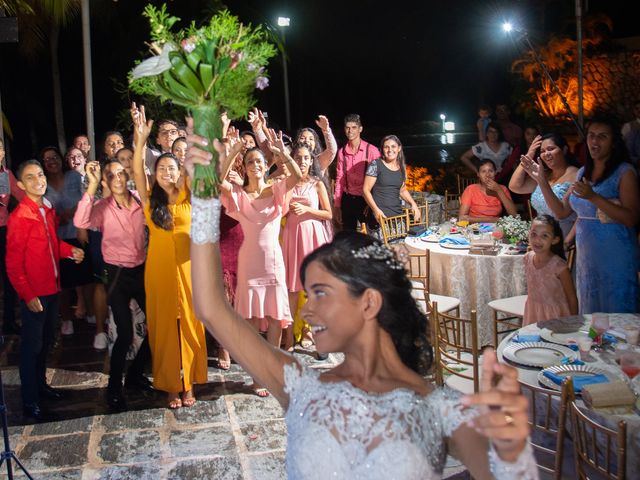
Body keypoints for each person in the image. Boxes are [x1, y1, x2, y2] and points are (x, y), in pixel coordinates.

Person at [186, 130, 537, 478]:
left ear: (369, 304)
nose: (306, 311)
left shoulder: (436, 410)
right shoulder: (302, 386)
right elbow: (211, 307)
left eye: (323, 294)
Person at [132, 105, 207, 409]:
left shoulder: (190, 194)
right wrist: (140, 138)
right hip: (160, 273)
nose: (166, 173)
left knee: (191, 325)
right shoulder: (150, 202)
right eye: (161, 169)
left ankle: (189, 383)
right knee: (163, 329)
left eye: (171, 169)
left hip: (191, 273)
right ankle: (170, 386)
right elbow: (138, 171)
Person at [524, 116, 639, 313]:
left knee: (617, 312)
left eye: (602, 136)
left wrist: (594, 197)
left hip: (615, 252)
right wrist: (542, 180)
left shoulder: (624, 172)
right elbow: (561, 212)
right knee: (590, 312)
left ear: (613, 142)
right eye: (591, 136)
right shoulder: (583, 173)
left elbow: (632, 218)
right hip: (587, 255)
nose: (595, 141)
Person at [218, 133, 303, 396]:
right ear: (246, 167)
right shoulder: (238, 195)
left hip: (273, 262)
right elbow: (217, 180)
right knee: (253, 320)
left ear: (266, 166)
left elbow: (298, 176)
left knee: (276, 318)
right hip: (250, 263)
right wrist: (234, 152)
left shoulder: (276, 189)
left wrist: (282, 152)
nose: (256, 164)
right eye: (251, 161)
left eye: (259, 161)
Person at [6, 160, 85, 421]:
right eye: (30, 178)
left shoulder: (46, 208)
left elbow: (52, 244)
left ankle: (41, 387)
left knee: (46, 343)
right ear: (20, 185)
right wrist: (28, 296)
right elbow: (13, 264)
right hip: (36, 295)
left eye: (40, 175)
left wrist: (69, 250)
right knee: (32, 347)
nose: (38, 180)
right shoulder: (21, 217)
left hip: (53, 289)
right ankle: (29, 400)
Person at [74, 160, 152, 411]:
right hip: (116, 274)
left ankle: (135, 375)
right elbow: (81, 220)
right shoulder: (102, 207)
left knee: (159, 325)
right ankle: (114, 389)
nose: (117, 178)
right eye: (111, 175)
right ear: (106, 180)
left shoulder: (140, 199)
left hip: (140, 270)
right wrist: (93, 185)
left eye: (121, 173)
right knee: (126, 333)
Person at [281, 142, 333, 351]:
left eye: (306, 158)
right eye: (299, 157)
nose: (302, 161)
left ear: (311, 161)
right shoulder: (287, 183)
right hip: (293, 237)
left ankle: (317, 337)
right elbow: (280, 211)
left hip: (313, 237)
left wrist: (307, 210)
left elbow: (328, 214)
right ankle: (289, 338)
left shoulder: (317, 183)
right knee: (292, 289)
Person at [509, 132, 578, 241]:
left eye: (551, 149)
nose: (546, 154)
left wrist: (541, 181)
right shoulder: (545, 174)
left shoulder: (576, 175)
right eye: (542, 151)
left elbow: (561, 213)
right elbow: (514, 186)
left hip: (561, 239)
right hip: (539, 238)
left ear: (564, 150)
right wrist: (529, 154)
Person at [523, 215, 577, 326]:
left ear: (555, 240)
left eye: (544, 236)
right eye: (533, 234)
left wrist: (573, 322)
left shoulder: (558, 266)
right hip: (533, 313)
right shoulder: (527, 258)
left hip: (555, 317)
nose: (537, 240)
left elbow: (571, 297)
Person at [362, 135, 420, 237]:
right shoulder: (376, 164)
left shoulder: (401, 167)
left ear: (399, 148)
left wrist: (413, 204)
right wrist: (376, 211)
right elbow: (365, 190)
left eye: (393, 146)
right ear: (382, 149)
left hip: (397, 219)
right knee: (381, 252)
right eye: (386, 147)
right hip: (379, 220)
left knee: (399, 250)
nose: (390, 150)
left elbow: (402, 190)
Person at [333, 113, 381, 231]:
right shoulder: (341, 152)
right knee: (349, 237)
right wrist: (337, 205)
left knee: (372, 235)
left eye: (354, 127)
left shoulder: (372, 151)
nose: (350, 131)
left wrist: (373, 204)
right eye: (347, 128)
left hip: (366, 200)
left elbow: (380, 179)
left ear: (360, 129)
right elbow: (340, 179)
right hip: (348, 199)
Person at [0, 138, 24, 335]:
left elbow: (22, 197)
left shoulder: (6, 175)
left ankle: (8, 321)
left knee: (9, 278)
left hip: (4, 231)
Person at [459, 159, 518, 223]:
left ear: (495, 172)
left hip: (496, 228)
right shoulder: (471, 189)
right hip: (474, 228)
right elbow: (462, 218)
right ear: (478, 174)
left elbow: (514, 215)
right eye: (483, 171)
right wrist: (493, 220)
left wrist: (499, 190)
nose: (487, 175)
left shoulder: (502, 189)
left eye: (491, 171)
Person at [621, 100, 640, 165]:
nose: (639, 110)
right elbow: (622, 146)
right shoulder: (628, 126)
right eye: (637, 108)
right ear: (634, 111)